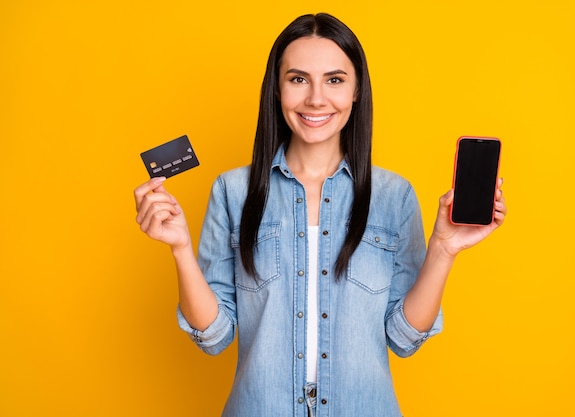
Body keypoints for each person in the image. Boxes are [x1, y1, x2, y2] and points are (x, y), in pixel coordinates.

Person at [134, 12, 506, 417]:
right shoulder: (233, 191)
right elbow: (214, 335)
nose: (315, 98)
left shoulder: (394, 196)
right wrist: (181, 249)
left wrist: (443, 250)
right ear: (276, 90)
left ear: (356, 90)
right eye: (297, 79)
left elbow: (403, 338)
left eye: (334, 79)